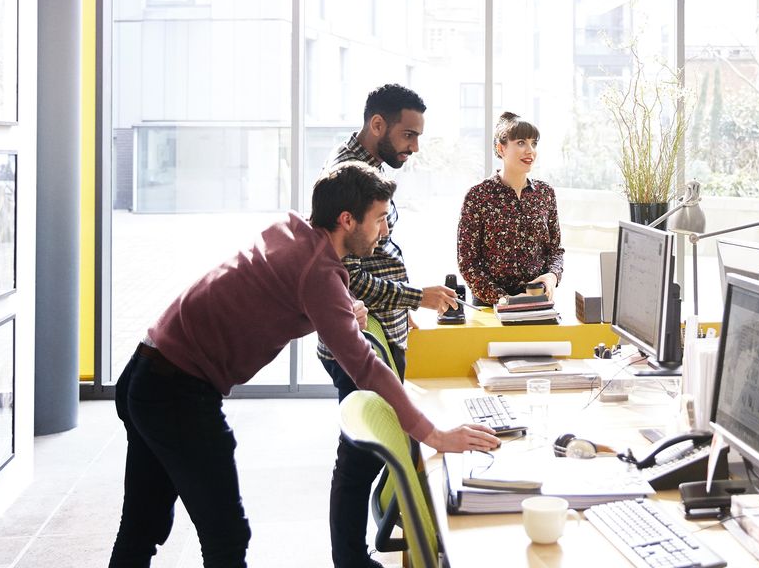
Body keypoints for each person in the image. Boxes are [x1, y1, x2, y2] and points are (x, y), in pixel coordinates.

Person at [108, 161, 498, 568]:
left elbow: (281, 287)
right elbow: (363, 364)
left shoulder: (296, 233)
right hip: (177, 391)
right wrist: (433, 434)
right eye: (380, 219)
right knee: (226, 537)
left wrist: (341, 309)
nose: (385, 230)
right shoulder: (318, 272)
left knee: (141, 525)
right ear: (347, 220)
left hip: (146, 370)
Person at [319, 84, 458, 568]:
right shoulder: (347, 175)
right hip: (356, 335)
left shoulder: (370, 169)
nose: (414, 147)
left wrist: (404, 310)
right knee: (357, 457)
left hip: (384, 328)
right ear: (377, 125)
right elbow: (350, 275)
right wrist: (414, 296)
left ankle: (369, 541)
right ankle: (350, 560)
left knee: (374, 449)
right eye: (408, 135)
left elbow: (379, 257)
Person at [457, 111, 565, 304]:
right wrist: (505, 300)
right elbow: (468, 262)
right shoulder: (478, 196)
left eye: (534, 143)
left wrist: (552, 276)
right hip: (491, 306)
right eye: (521, 142)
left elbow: (555, 250)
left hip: (537, 301)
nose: (530, 150)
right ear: (501, 148)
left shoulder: (545, 193)